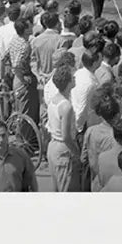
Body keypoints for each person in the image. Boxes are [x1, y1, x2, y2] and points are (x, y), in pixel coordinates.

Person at [43, 58, 81, 192]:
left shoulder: (54, 100)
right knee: (66, 187)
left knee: (57, 186)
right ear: (68, 82)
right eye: (73, 77)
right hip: (63, 149)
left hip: (53, 146)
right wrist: (77, 152)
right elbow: (66, 136)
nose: (75, 79)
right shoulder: (66, 106)